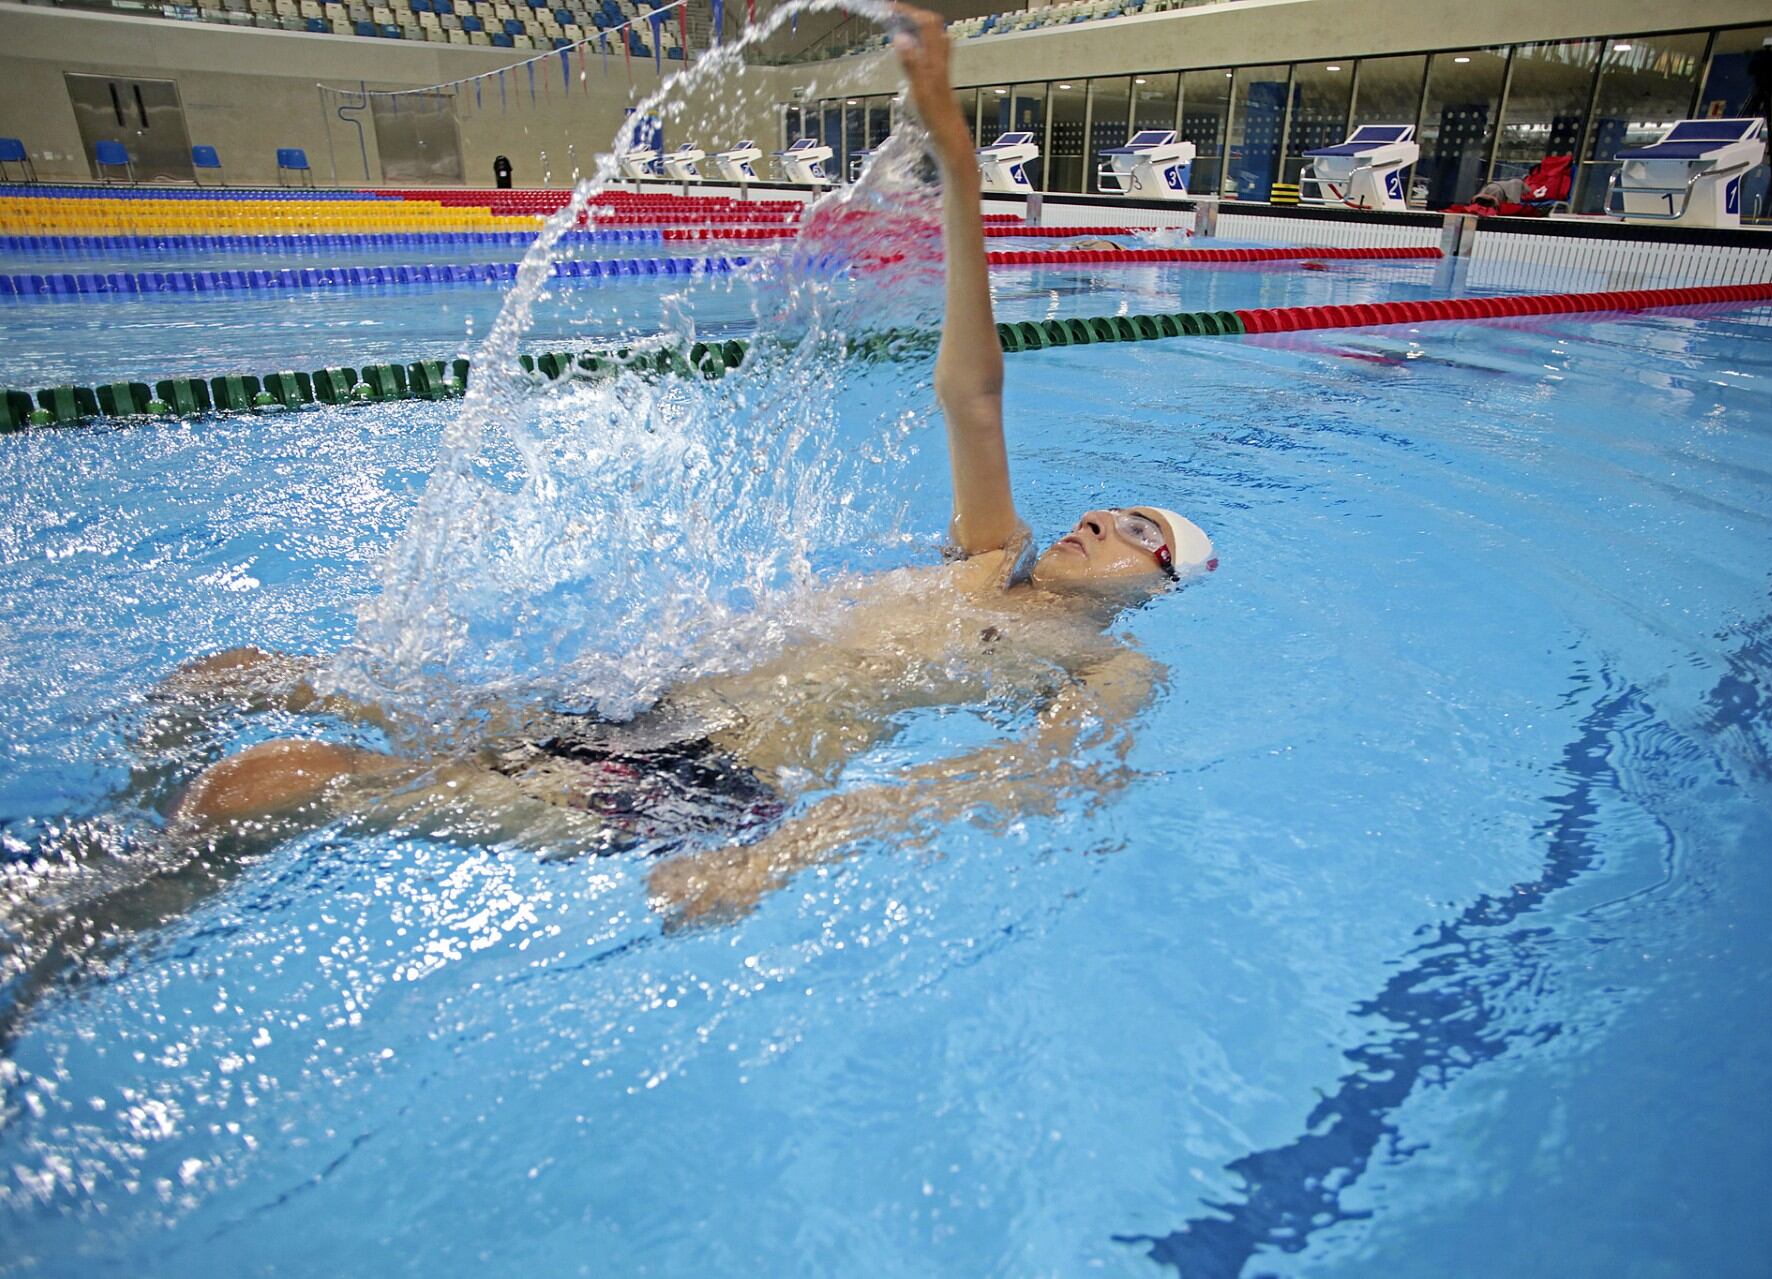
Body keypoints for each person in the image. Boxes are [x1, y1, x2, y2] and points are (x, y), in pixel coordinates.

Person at [157, 4, 1216, 928]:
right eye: (1113, 508)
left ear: (1163, 586)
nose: (1104, 521)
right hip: (646, 703)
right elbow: (972, 389)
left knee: (262, 782)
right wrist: (956, 160)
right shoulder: (994, 557)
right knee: (237, 676)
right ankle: (120, 862)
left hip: (707, 776)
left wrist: (777, 859)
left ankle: (73, 945)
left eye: (1141, 533)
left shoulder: (1110, 669)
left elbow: (998, 781)